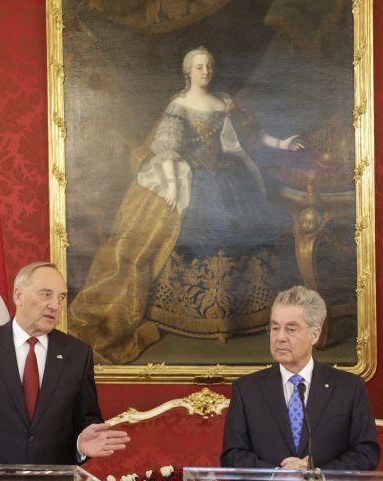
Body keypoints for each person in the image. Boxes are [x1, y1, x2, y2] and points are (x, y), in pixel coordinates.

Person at [68, 46, 303, 364]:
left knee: (243, 227)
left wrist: (281, 143)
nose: (205, 72)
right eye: (199, 67)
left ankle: (240, 309)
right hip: (192, 178)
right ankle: (189, 308)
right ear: (188, 72)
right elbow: (166, 148)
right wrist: (172, 185)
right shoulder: (178, 106)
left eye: (209, 66)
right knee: (201, 227)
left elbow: (250, 133)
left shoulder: (224, 101)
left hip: (229, 177)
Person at [0, 262, 129, 464]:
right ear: (18, 296)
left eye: (61, 297)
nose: (55, 305)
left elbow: (88, 419)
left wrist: (81, 443)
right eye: (46, 294)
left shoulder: (78, 354)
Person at [221, 285, 379, 470]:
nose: (280, 337)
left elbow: (366, 454)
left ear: (315, 334)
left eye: (291, 329)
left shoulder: (348, 388)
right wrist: (276, 475)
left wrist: (316, 475)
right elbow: (233, 455)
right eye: (275, 328)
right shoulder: (247, 390)